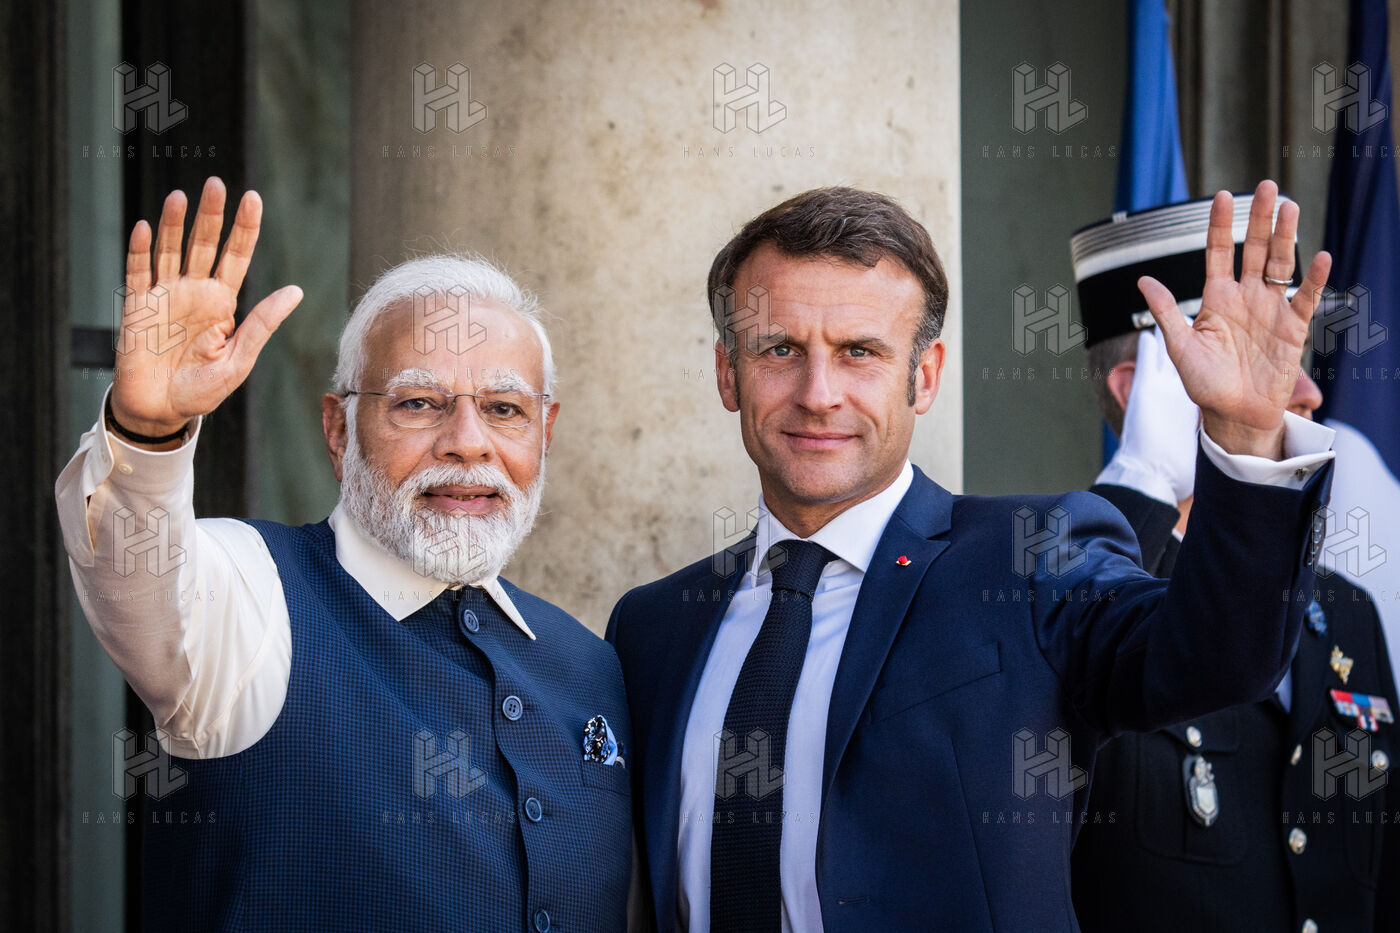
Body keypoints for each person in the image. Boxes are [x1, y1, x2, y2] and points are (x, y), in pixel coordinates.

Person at [608, 181, 1338, 931]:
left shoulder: (1030, 559)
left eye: (860, 352)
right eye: (780, 349)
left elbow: (1216, 658)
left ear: (923, 376)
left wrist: (1244, 440)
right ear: (728, 372)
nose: (818, 393)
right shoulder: (651, 629)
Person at [55, 178, 632, 932]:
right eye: (418, 403)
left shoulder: (589, 663)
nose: (468, 442)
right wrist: (147, 432)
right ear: (338, 431)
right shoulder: (251, 599)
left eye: (503, 409)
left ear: (544, 433)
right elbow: (135, 572)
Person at [1067, 196, 1399, 933]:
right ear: (1143, 391)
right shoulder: (1067, 598)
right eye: (1258, 355)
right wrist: (1142, 479)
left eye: (1295, 357)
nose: (1308, 392)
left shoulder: (1345, 612)